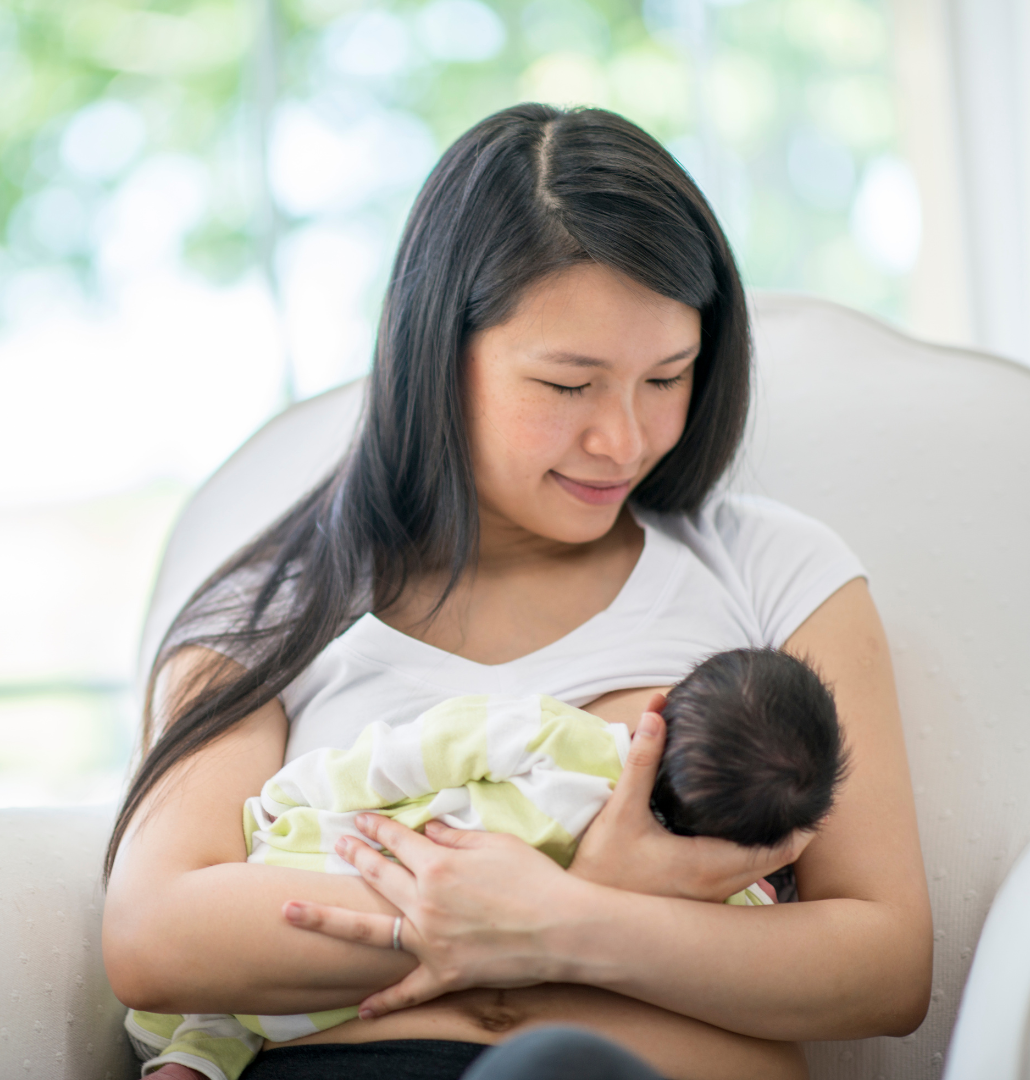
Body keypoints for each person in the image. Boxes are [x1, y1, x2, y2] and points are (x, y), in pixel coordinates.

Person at [102, 103, 933, 1080]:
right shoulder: (275, 610)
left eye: (667, 377)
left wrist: (571, 922)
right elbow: (156, 935)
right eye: (569, 386)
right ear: (437, 357)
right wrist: (575, 888)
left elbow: (886, 965)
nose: (623, 440)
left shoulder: (772, 569)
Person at [125, 647, 847, 1080]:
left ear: (655, 711)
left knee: (240, 1019)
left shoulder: (560, 735)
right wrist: (591, 902)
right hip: (340, 976)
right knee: (244, 1008)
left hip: (329, 988)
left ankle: (204, 1048)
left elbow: (420, 748)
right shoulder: (716, 878)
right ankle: (205, 1045)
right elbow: (156, 941)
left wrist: (296, 797)